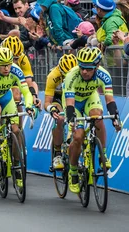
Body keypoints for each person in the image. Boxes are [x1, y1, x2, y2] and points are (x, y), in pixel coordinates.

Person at [63, 47, 121, 193]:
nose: (84, 72)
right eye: (82, 67)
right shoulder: (72, 75)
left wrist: (115, 117)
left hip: (90, 98)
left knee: (98, 117)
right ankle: (74, 172)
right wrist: (72, 119)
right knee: (78, 136)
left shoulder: (104, 75)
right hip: (74, 102)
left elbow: (109, 100)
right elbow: (69, 104)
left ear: (96, 66)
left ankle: (103, 155)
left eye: (88, 69)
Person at [0, 47, 36, 188]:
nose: (6, 68)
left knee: (16, 131)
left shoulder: (16, 70)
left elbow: (26, 92)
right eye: (3, 65)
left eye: (9, 64)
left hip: (7, 97)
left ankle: (17, 165)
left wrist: (29, 106)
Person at [45, 54, 76, 170]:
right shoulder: (53, 76)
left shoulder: (79, 73)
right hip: (57, 98)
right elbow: (47, 102)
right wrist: (52, 109)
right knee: (61, 118)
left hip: (72, 96)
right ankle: (57, 154)